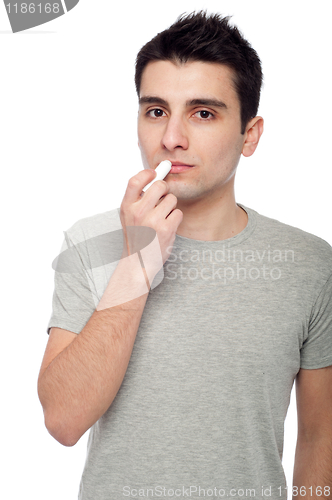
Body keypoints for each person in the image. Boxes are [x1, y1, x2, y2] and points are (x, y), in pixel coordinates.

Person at [38, 11, 332, 500]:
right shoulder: (88, 244)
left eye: (203, 113)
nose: (171, 138)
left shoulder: (309, 264)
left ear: (250, 134)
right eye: (156, 111)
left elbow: (320, 437)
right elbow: (63, 421)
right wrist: (135, 267)